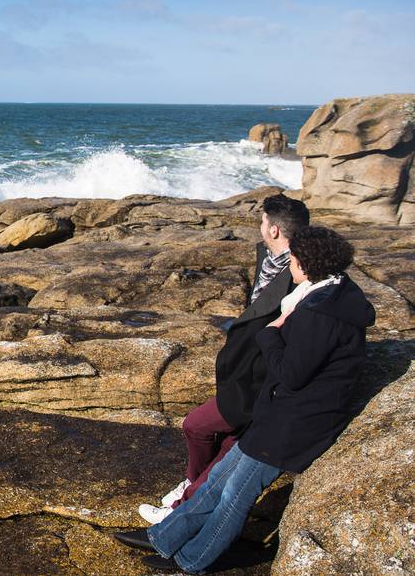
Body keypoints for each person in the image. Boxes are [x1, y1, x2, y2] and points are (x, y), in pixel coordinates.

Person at [114, 225, 375, 572]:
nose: (290, 264)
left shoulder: (318, 312)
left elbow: (293, 374)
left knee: (235, 495)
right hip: (279, 414)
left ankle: (193, 561)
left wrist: (270, 334)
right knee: (219, 478)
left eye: (294, 259)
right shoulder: (333, 291)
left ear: (308, 264)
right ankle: (165, 537)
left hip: (295, 422)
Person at [138, 193, 310, 524]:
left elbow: (285, 334)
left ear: (274, 229)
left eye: (262, 220)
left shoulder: (298, 276)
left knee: (197, 426)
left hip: (257, 380)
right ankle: (188, 494)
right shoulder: (273, 259)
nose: (259, 225)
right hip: (244, 372)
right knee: (228, 445)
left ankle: (181, 508)